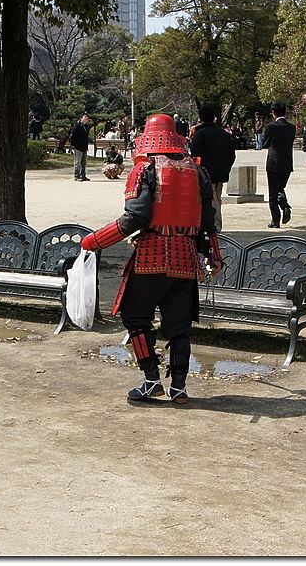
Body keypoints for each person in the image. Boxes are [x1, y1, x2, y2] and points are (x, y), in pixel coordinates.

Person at [80, 114, 222, 404]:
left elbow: (136, 216)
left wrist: (94, 241)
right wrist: (213, 255)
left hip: (151, 256)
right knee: (179, 327)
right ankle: (179, 388)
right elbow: (209, 222)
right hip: (185, 258)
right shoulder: (198, 172)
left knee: (136, 318)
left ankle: (151, 381)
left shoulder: (144, 168)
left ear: (147, 137)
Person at [189, 103, 237, 232]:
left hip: (205, 172)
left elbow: (194, 153)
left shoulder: (200, 134)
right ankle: (216, 224)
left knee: (209, 200)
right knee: (217, 198)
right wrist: (226, 168)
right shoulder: (224, 134)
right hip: (221, 171)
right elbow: (232, 154)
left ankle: (213, 225)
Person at [262, 101, 296, 228]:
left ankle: (275, 220)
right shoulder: (291, 127)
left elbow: (264, 143)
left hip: (274, 161)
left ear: (273, 113)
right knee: (280, 188)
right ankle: (285, 206)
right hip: (287, 161)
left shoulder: (272, 127)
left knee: (273, 192)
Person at [69, 112, 91, 181]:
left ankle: (83, 175)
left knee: (83, 163)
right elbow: (73, 136)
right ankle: (76, 175)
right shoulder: (77, 126)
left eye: (87, 117)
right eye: (85, 117)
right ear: (81, 118)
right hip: (78, 146)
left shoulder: (85, 126)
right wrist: (73, 144)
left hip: (84, 147)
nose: (86, 118)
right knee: (77, 162)